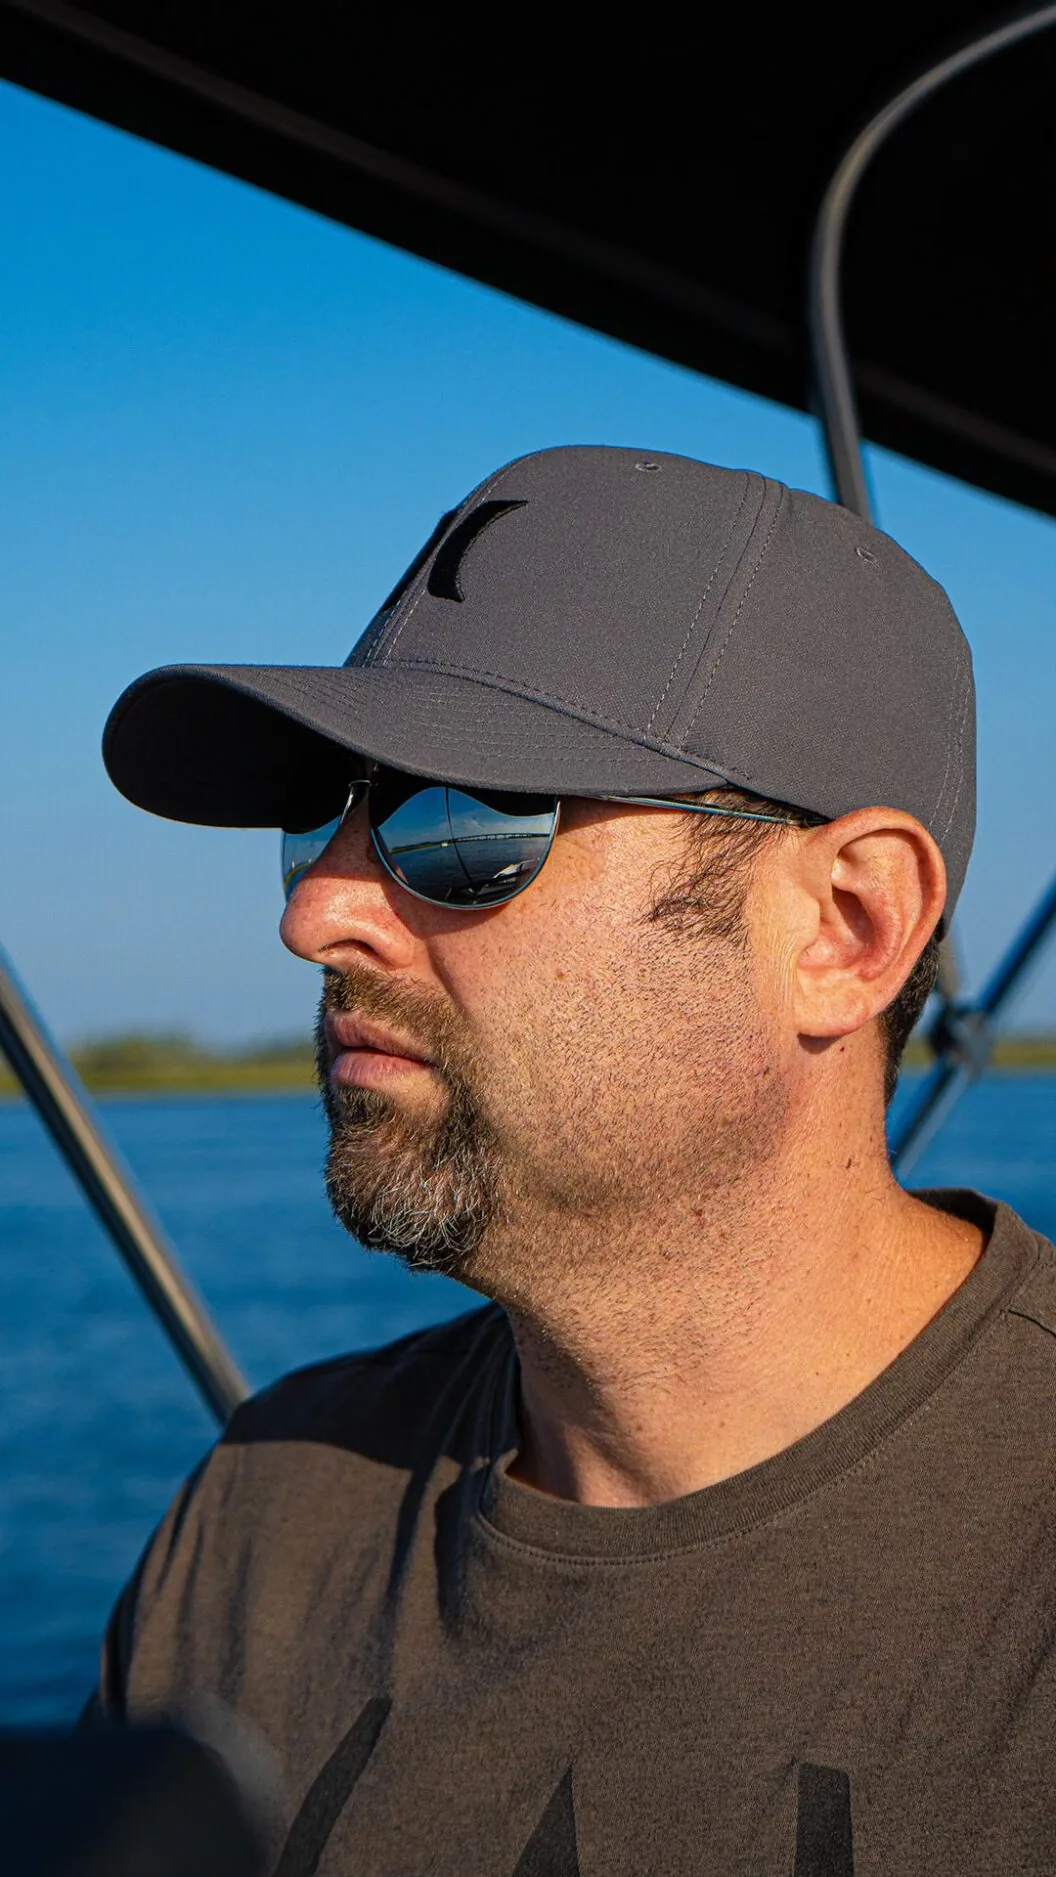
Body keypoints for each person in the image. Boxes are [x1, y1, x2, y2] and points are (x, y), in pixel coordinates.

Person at [94, 446, 1056, 1875]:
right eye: (322, 820)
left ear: (844, 928)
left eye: (464, 820)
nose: (317, 916)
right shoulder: (263, 1519)